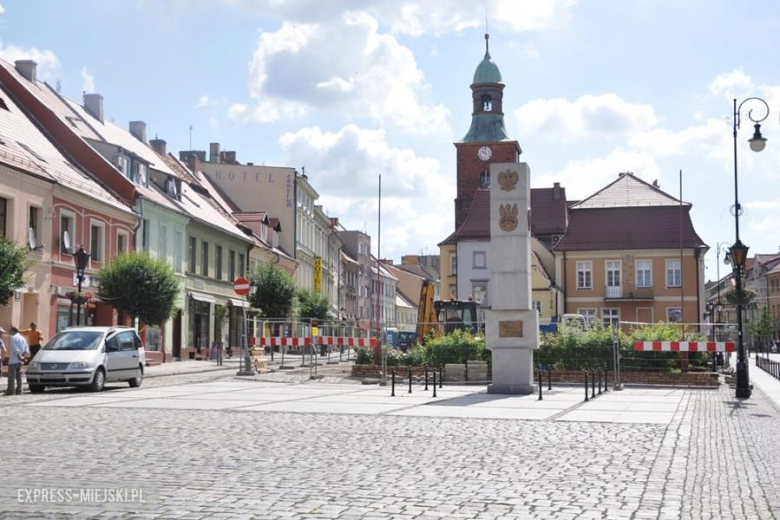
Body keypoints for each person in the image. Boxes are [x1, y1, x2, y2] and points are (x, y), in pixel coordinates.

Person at [6, 326, 29, 396]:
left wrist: (19, 356)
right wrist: (22, 356)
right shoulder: (23, 338)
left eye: (10, 330)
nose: (9, 332)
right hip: (20, 361)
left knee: (11, 376)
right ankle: (19, 390)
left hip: (14, 359)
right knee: (19, 376)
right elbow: (26, 349)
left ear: (13, 330)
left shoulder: (13, 338)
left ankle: (11, 391)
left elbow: (15, 348)